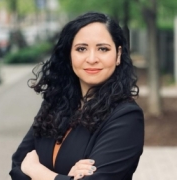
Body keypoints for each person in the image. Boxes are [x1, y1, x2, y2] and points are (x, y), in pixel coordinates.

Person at [9, 12, 144, 180]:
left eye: (103, 49)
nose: (92, 58)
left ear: (118, 55)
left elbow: (27, 166)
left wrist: (37, 171)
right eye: (81, 49)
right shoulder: (55, 104)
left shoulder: (126, 117)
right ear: (69, 55)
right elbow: (17, 166)